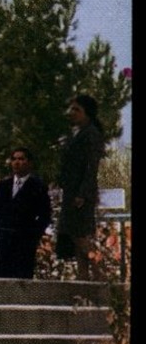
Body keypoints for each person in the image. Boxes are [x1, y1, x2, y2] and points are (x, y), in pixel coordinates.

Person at [57, 93, 105, 280]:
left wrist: (82, 194)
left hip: (80, 195)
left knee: (80, 237)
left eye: (77, 109)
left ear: (87, 113)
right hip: (71, 193)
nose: (71, 113)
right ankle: (83, 277)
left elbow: (91, 167)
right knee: (74, 238)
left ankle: (101, 275)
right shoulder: (77, 134)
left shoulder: (92, 134)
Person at [0, 147, 52, 278]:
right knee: (2, 282)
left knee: (21, 284)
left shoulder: (38, 186)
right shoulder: (3, 185)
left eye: (21, 159)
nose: (16, 162)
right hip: (4, 242)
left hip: (24, 245)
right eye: (14, 159)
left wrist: (33, 235)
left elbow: (45, 215)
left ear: (29, 163)